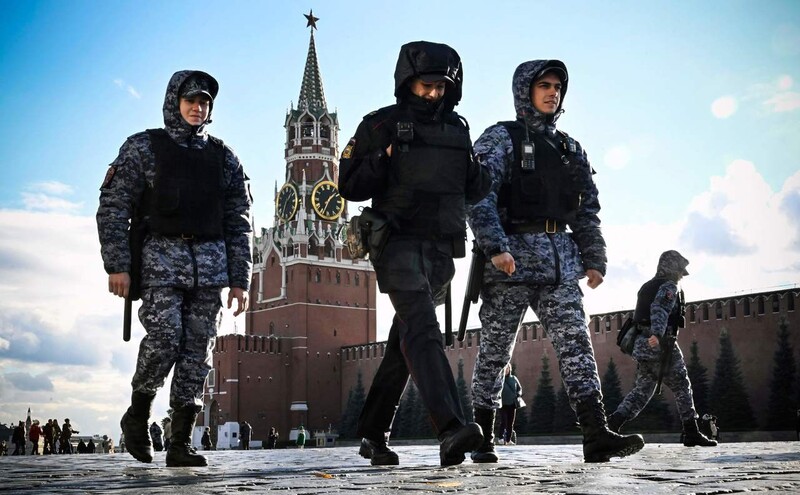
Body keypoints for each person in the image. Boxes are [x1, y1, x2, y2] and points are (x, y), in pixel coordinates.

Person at [467, 59, 645, 464]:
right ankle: (482, 436)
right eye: (544, 85)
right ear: (524, 91)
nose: (552, 93)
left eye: (557, 87)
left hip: (560, 264)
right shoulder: (500, 139)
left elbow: (587, 209)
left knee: (577, 346)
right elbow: (478, 194)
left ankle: (596, 434)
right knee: (495, 352)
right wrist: (495, 247)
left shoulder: (570, 149)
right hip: (509, 265)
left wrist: (594, 257)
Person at [338, 40, 492, 467]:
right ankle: (451, 428)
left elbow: (478, 188)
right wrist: (384, 159)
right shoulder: (381, 125)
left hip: (441, 250)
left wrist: (474, 166)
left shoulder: (457, 129)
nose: (433, 94)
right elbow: (347, 185)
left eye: (441, 87)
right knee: (424, 330)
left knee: (403, 342)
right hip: (398, 244)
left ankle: (371, 433)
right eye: (426, 85)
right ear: (408, 82)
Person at [97, 69, 253, 468]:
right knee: (166, 338)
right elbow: (114, 207)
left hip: (210, 270)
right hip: (160, 264)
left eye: (204, 102)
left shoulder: (224, 157)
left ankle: (180, 440)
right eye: (191, 101)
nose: (198, 108)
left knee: (197, 352)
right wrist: (118, 265)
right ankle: (138, 413)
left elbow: (239, 221)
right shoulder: (144, 148)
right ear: (174, 102)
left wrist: (240, 279)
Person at [607, 251, 717, 448]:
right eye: (680, 271)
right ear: (673, 268)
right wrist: (657, 335)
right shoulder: (668, 286)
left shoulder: (647, 286)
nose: (682, 275)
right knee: (682, 386)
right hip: (660, 344)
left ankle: (611, 425)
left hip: (641, 345)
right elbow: (659, 308)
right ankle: (691, 432)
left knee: (641, 392)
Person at [499, 365, 522, 446]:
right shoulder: (500, 379)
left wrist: (518, 395)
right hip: (502, 404)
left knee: (510, 423)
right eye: (505, 369)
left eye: (507, 368)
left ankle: (508, 440)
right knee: (504, 421)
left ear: (510, 369)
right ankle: (501, 438)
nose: (506, 370)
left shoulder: (513, 378)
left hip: (512, 404)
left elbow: (519, 389)